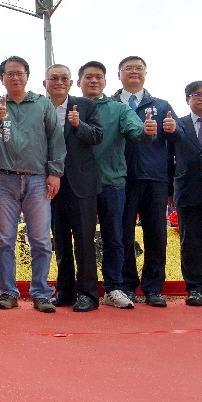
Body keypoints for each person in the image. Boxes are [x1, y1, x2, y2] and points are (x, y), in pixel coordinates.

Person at [0, 56, 66, 313]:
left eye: (19, 73)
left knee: (40, 240)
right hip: (5, 179)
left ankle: (40, 293)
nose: (15, 77)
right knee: (4, 240)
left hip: (38, 180)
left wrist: (55, 173)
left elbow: (56, 138)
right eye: (10, 74)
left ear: (27, 76)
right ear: (2, 79)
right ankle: (8, 292)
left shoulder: (42, 103)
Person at [76, 60, 156, 309]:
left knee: (115, 238)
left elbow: (135, 131)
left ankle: (113, 288)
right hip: (80, 184)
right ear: (79, 82)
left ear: (105, 82)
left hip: (112, 182)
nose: (94, 81)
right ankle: (85, 293)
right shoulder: (70, 107)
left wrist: (147, 130)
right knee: (82, 239)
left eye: (99, 77)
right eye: (88, 77)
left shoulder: (119, 109)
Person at [111, 56, 180, 307]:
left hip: (155, 179)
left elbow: (176, 143)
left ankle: (153, 288)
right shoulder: (109, 104)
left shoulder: (161, 106)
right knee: (123, 234)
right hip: (121, 178)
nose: (133, 72)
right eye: (128, 68)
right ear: (119, 74)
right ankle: (127, 286)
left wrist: (174, 129)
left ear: (146, 74)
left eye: (138, 68)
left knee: (156, 235)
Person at [42, 64, 103, 312]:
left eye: (64, 78)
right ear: (44, 83)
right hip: (50, 184)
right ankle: (65, 291)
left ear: (71, 83)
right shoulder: (40, 108)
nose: (59, 82)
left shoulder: (86, 106)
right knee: (61, 241)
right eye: (53, 78)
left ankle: (88, 294)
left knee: (84, 241)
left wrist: (79, 125)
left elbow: (97, 136)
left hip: (81, 184)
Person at [169, 81, 202, 306]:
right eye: (196, 94)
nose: (201, 98)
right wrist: (169, 191)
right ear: (187, 99)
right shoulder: (177, 127)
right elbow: (167, 160)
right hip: (188, 191)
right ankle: (196, 288)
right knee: (190, 242)